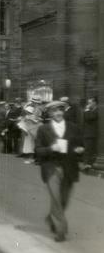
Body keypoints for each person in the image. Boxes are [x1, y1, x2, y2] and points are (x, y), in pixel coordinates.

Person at [34, 99, 85, 242]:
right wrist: (51, 148)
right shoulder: (43, 129)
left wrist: (80, 150)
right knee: (56, 199)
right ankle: (61, 230)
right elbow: (37, 151)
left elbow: (81, 145)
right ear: (49, 113)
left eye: (60, 110)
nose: (58, 113)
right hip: (51, 168)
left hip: (69, 168)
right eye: (54, 111)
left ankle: (51, 217)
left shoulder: (73, 127)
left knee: (64, 200)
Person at [82, 96, 98, 170]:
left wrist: (87, 109)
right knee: (88, 149)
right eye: (88, 103)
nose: (88, 104)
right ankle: (87, 164)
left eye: (90, 103)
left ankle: (88, 164)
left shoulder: (95, 110)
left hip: (91, 133)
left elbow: (89, 118)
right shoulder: (90, 110)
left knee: (89, 149)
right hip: (88, 133)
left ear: (94, 103)